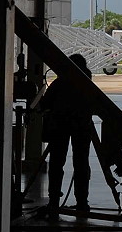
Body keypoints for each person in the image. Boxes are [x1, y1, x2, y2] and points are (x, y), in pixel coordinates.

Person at [39, 53, 94, 217]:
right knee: (81, 164)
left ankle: (54, 200)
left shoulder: (60, 82)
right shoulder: (87, 82)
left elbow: (45, 103)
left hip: (60, 126)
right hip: (82, 126)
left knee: (56, 163)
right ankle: (82, 202)